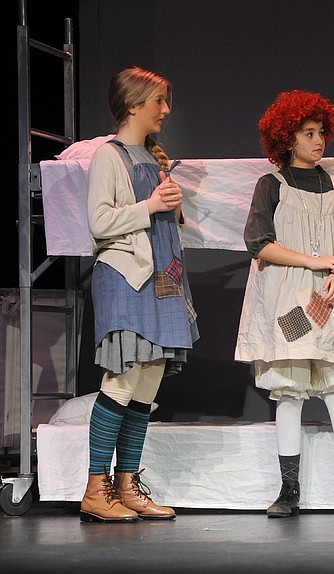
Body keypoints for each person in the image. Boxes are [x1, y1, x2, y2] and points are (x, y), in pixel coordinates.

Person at [235, 90, 334, 519]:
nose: (318, 140)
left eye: (321, 132)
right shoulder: (272, 186)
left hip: (330, 298)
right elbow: (259, 244)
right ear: (287, 138)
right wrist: (313, 261)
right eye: (308, 133)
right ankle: (288, 492)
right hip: (288, 303)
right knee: (290, 393)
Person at [81, 66, 200, 522]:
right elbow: (99, 222)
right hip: (126, 277)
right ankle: (96, 487)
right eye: (158, 102)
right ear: (133, 105)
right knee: (123, 378)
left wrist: (171, 206)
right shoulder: (108, 156)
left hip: (163, 277)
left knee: (146, 383)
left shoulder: (154, 158)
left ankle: (127, 485)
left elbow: (162, 224)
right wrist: (150, 205)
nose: (166, 110)